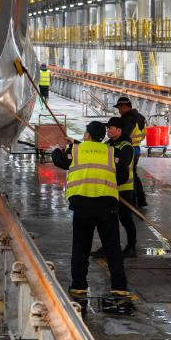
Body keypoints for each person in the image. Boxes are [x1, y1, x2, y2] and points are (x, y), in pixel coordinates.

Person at [50, 122, 129, 299]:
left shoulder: (76, 150)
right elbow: (123, 175)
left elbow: (60, 161)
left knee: (81, 247)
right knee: (112, 248)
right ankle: (119, 287)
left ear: (87, 135)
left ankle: (79, 286)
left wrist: (56, 149)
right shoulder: (111, 152)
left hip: (82, 205)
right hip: (107, 205)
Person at [99, 117, 138, 258]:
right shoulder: (108, 144)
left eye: (110, 128)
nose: (107, 130)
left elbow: (122, 164)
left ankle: (131, 247)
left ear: (119, 130)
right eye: (107, 128)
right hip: (109, 188)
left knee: (125, 219)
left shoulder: (126, 146)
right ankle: (107, 247)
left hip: (124, 189)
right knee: (108, 220)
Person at [114, 95, 148, 207]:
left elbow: (124, 136)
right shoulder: (140, 117)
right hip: (136, 148)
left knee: (129, 175)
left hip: (128, 149)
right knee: (133, 174)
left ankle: (134, 201)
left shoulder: (128, 119)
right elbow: (143, 135)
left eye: (120, 108)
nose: (119, 111)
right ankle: (141, 200)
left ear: (124, 106)